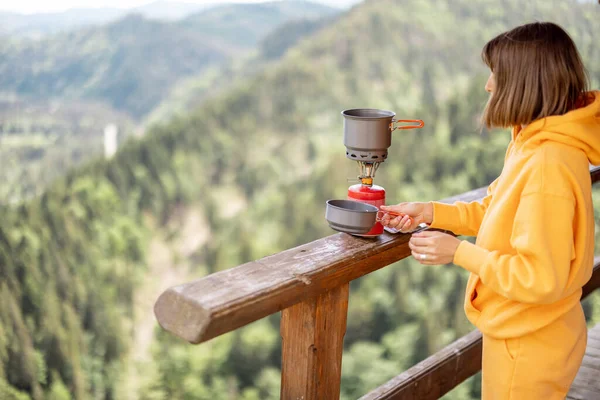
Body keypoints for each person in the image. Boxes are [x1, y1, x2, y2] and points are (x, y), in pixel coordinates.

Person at [380, 22, 600, 399]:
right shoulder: (535, 143)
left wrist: (458, 252)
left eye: (496, 74)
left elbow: (539, 277)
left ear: (524, 81)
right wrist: (430, 213)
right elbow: (496, 209)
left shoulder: (548, 161)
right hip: (536, 331)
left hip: (529, 344)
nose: (488, 85)